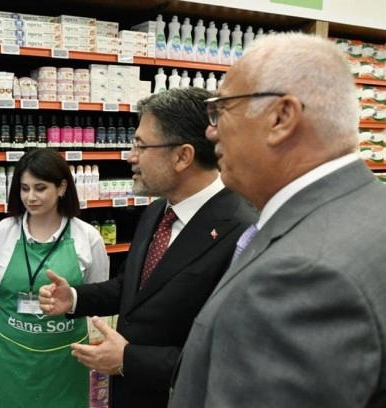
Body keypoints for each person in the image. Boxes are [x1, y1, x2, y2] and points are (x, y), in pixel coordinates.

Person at [169, 33, 386, 408]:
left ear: (281, 118)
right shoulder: (369, 207)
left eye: (221, 109)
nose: (210, 130)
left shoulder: (301, 275)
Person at [38, 87, 257, 408]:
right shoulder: (158, 210)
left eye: (141, 145)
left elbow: (229, 358)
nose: (131, 156)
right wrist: (73, 298)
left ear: (182, 156)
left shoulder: (242, 232)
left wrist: (129, 359)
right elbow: (132, 288)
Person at [0, 147, 108, 408]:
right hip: (11, 353)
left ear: (61, 188)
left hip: (65, 357)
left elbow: (96, 297)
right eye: (24, 188)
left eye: (40, 188)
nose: (30, 197)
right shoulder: (4, 232)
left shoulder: (87, 237)